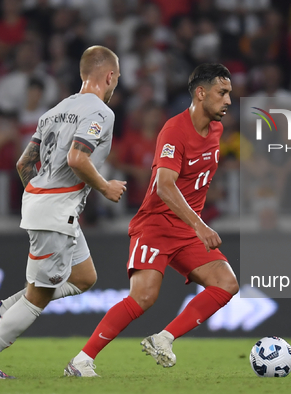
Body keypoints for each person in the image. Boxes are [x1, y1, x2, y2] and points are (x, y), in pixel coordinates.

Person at [0, 45, 126, 379]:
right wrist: (105, 187)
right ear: (109, 76)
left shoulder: (53, 111)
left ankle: (1, 310)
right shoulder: (100, 113)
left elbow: (24, 163)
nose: (115, 85)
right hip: (56, 209)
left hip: (48, 203)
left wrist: (39, 198)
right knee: (38, 296)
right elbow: (77, 159)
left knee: (84, 278)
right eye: (116, 79)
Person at [63, 63, 238, 378]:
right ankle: (81, 360)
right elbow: (164, 185)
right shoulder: (174, 130)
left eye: (229, 94)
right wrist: (200, 224)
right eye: (222, 92)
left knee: (226, 284)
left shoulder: (216, 130)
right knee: (143, 296)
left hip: (186, 230)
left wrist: (195, 222)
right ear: (201, 92)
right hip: (156, 226)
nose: (228, 100)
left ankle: (164, 338)